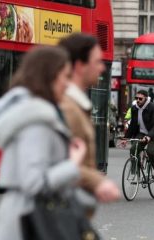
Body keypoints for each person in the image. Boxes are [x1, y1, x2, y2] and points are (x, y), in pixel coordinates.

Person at [0, 46, 86, 240]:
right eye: (65, 76)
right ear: (48, 76)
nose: (68, 84)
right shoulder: (36, 120)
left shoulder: (33, 113)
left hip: (26, 218)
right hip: (31, 222)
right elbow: (34, 182)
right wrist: (72, 164)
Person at [58, 33, 120, 205]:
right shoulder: (67, 109)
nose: (102, 68)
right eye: (97, 62)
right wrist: (99, 182)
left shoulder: (76, 105)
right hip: (57, 217)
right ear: (80, 66)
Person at [120, 89, 154, 182]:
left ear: (146, 99)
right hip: (142, 133)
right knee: (133, 149)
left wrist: (149, 136)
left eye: (140, 98)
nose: (138, 100)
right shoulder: (134, 108)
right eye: (136, 98)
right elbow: (132, 125)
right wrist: (126, 138)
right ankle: (136, 173)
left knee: (150, 151)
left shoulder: (153, 107)